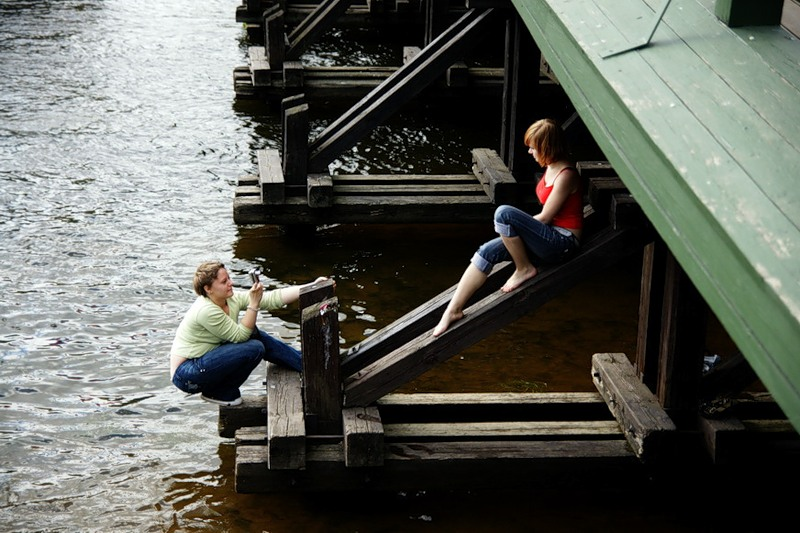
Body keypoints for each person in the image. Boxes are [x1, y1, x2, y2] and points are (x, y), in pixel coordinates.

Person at [433, 118, 583, 337]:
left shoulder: (566, 175)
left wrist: (515, 227)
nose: (530, 152)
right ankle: (452, 310)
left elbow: (544, 218)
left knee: (503, 213)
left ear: (547, 147)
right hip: (548, 236)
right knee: (486, 251)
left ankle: (523, 268)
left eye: (534, 147)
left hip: (562, 243)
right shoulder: (550, 168)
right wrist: (515, 232)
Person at [170, 261, 329, 406]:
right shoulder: (206, 310)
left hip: (206, 360)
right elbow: (240, 336)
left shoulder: (229, 299)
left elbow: (271, 299)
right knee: (254, 347)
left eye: (229, 279)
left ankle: (306, 364)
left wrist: (310, 287)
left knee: (255, 335)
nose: (230, 283)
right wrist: (253, 303)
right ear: (208, 289)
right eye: (224, 282)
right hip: (187, 374)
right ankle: (221, 392)